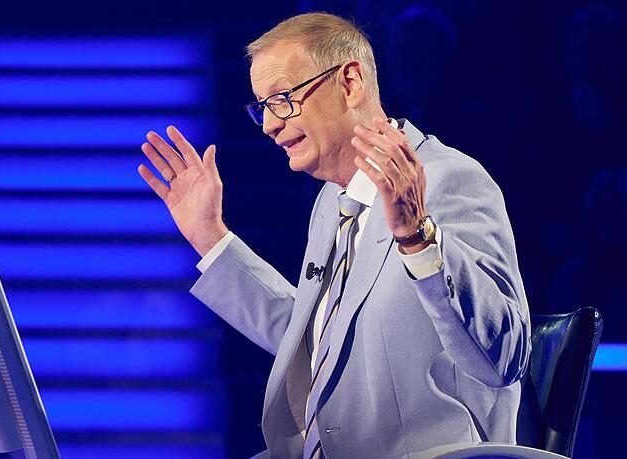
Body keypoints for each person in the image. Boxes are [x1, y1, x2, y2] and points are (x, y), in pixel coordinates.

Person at [137, 12, 530, 459]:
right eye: (262, 107)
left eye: (282, 99)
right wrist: (210, 236)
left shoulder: (448, 179)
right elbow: (317, 345)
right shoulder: (331, 202)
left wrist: (418, 236)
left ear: (350, 83)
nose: (269, 125)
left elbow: (505, 357)